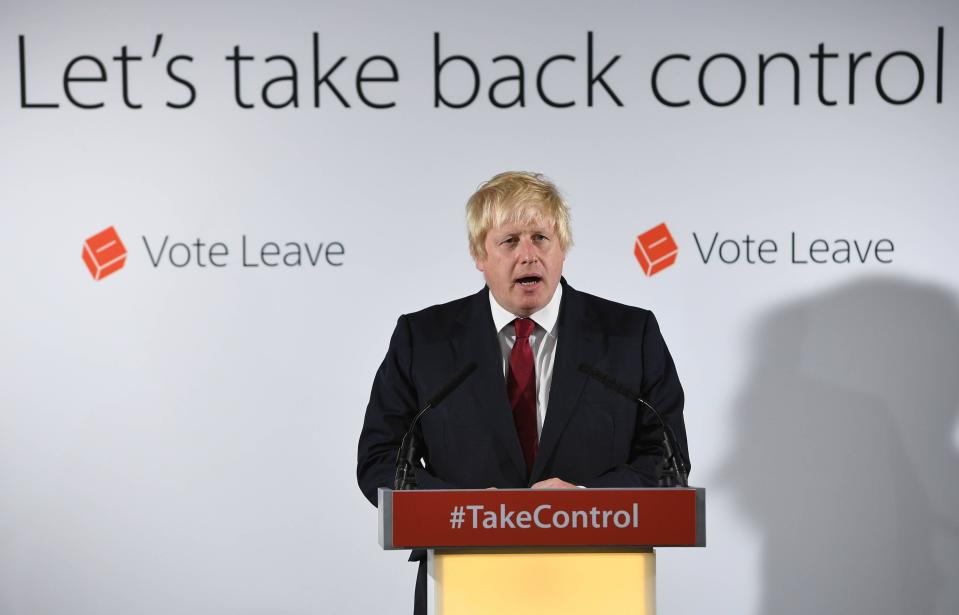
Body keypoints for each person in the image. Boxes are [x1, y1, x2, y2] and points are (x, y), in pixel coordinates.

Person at [356, 171, 689, 614]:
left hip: (600, 580)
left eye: (541, 238)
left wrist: (589, 500)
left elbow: (668, 462)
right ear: (479, 254)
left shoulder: (629, 334)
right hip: (463, 584)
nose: (528, 255)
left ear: (563, 248)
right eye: (510, 241)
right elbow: (380, 461)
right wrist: (467, 511)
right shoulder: (424, 339)